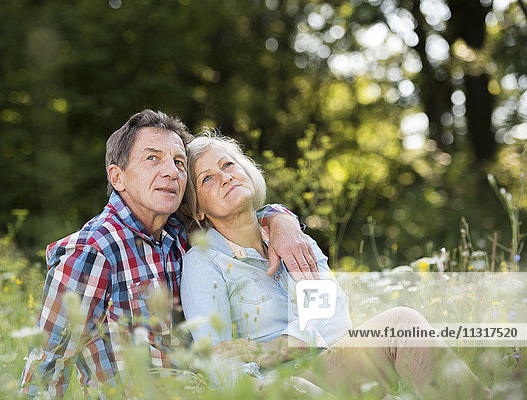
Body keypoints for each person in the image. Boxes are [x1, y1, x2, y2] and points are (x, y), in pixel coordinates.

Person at [20, 110, 317, 398]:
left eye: (179, 162)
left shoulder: (176, 231)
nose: (171, 172)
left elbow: (238, 214)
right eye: (153, 158)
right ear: (117, 177)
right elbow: (48, 363)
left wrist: (283, 221)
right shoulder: (92, 251)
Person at [180, 131, 490, 399]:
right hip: (280, 388)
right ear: (198, 211)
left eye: (228, 164)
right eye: (207, 178)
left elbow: (334, 319)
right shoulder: (205, 263)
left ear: (246, 171)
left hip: (335, 365)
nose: (224, 177)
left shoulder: (293, 239)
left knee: (399, 325)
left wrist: (278, 346)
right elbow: (219, 360)